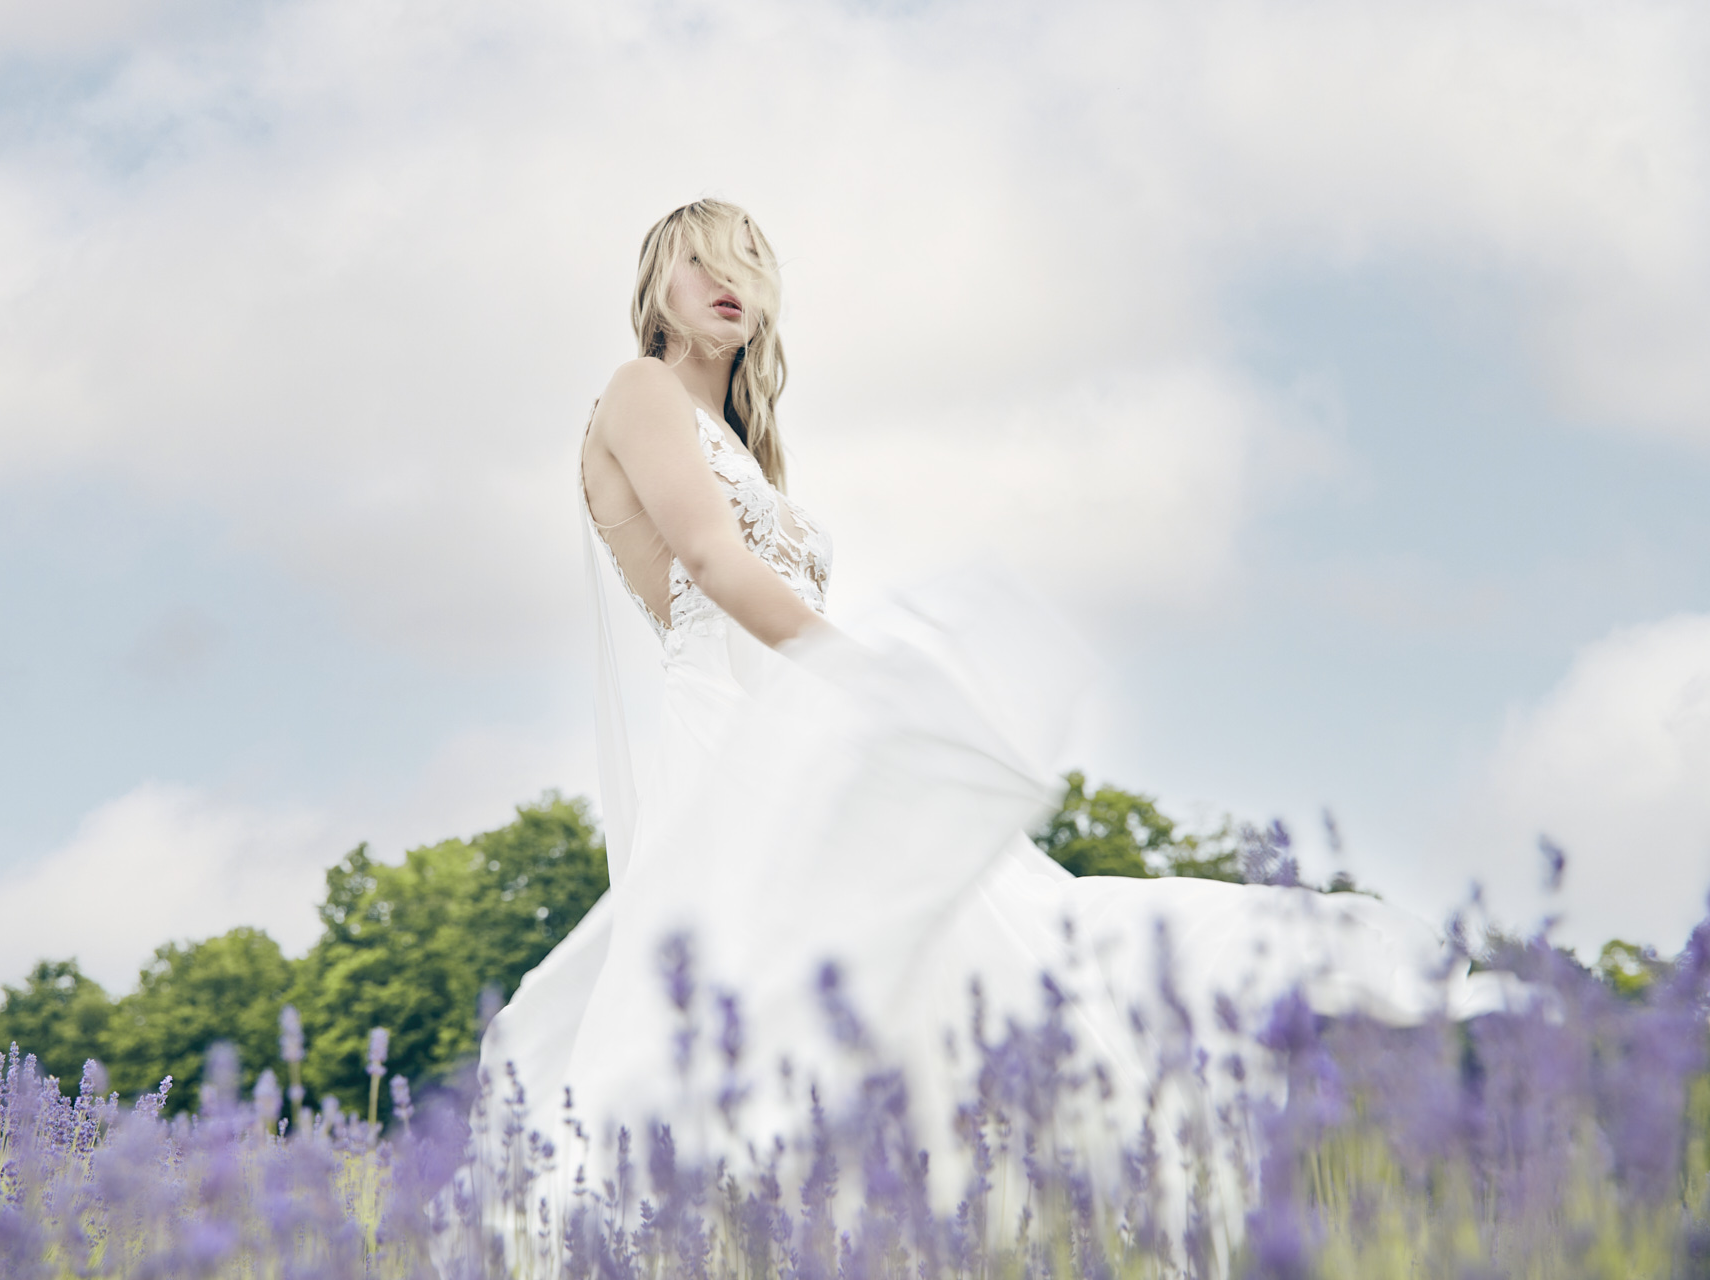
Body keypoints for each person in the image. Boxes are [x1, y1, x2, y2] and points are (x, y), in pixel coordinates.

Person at [478, 199, 1509, 1252]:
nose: (729, 280)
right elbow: (709, 560)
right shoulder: (641, 388)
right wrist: (867, 674)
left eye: (749, 261)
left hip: (803, 727)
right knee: (776, 993)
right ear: (658, 284)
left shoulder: (747, 442)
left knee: (972, 948)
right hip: (730, 736)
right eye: (701, 262)